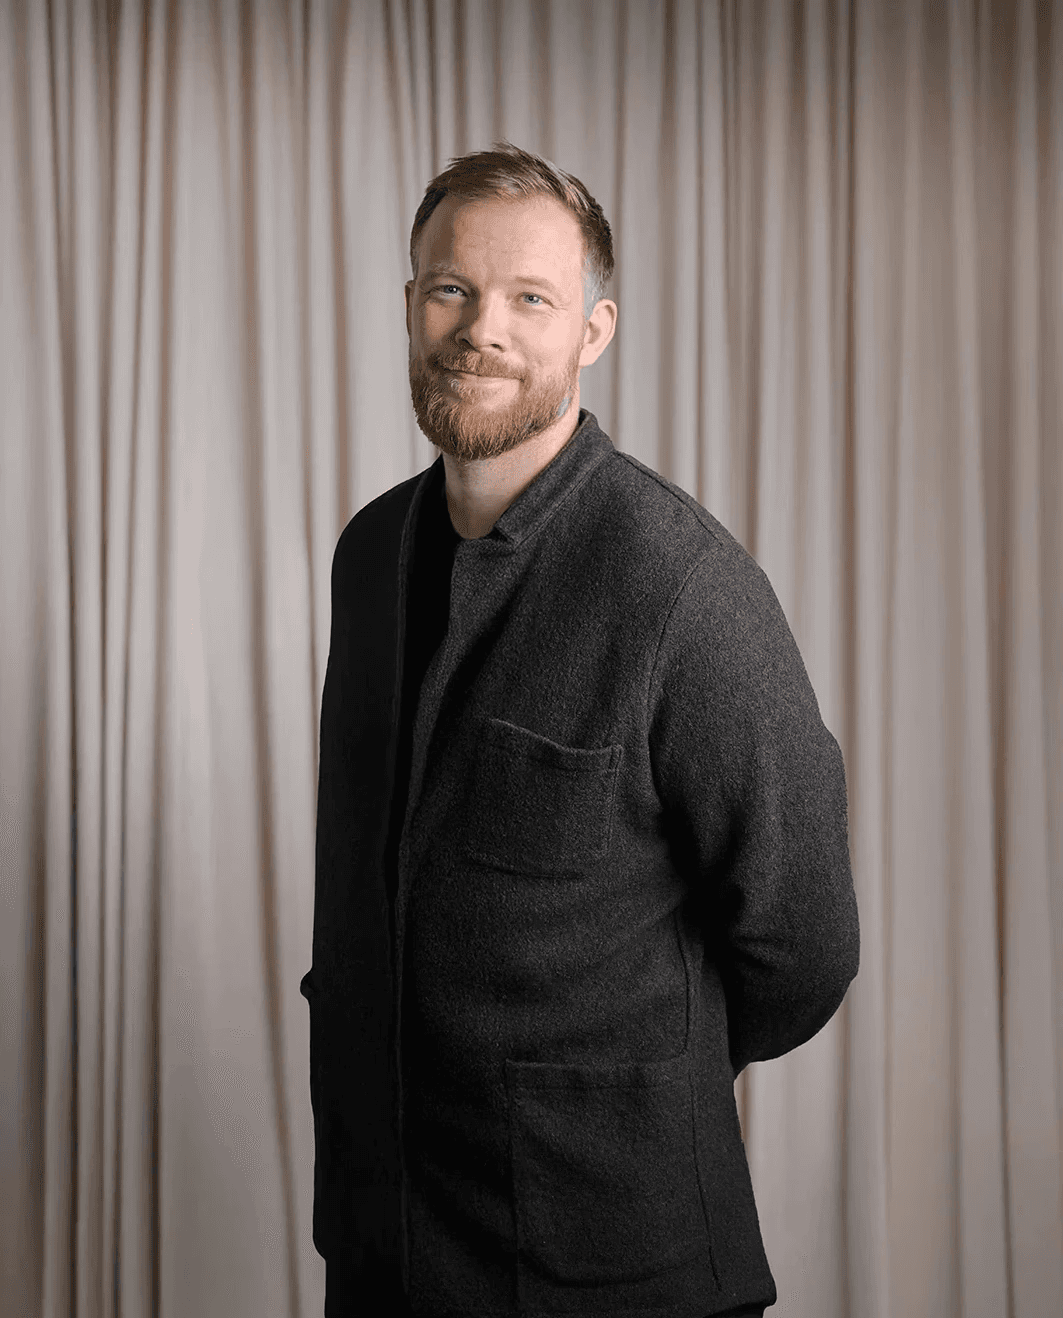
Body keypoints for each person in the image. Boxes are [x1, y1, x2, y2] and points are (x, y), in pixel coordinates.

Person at [300, 141, 859, 1318]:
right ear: (411, 306)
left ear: (593, 332)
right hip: (384, 1247)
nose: (480, 328)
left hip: (616, 1268)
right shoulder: (366, 555)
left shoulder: (682, 583)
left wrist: (621, 1085)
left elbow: (803, 943)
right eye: (452, 288)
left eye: (529, 299)